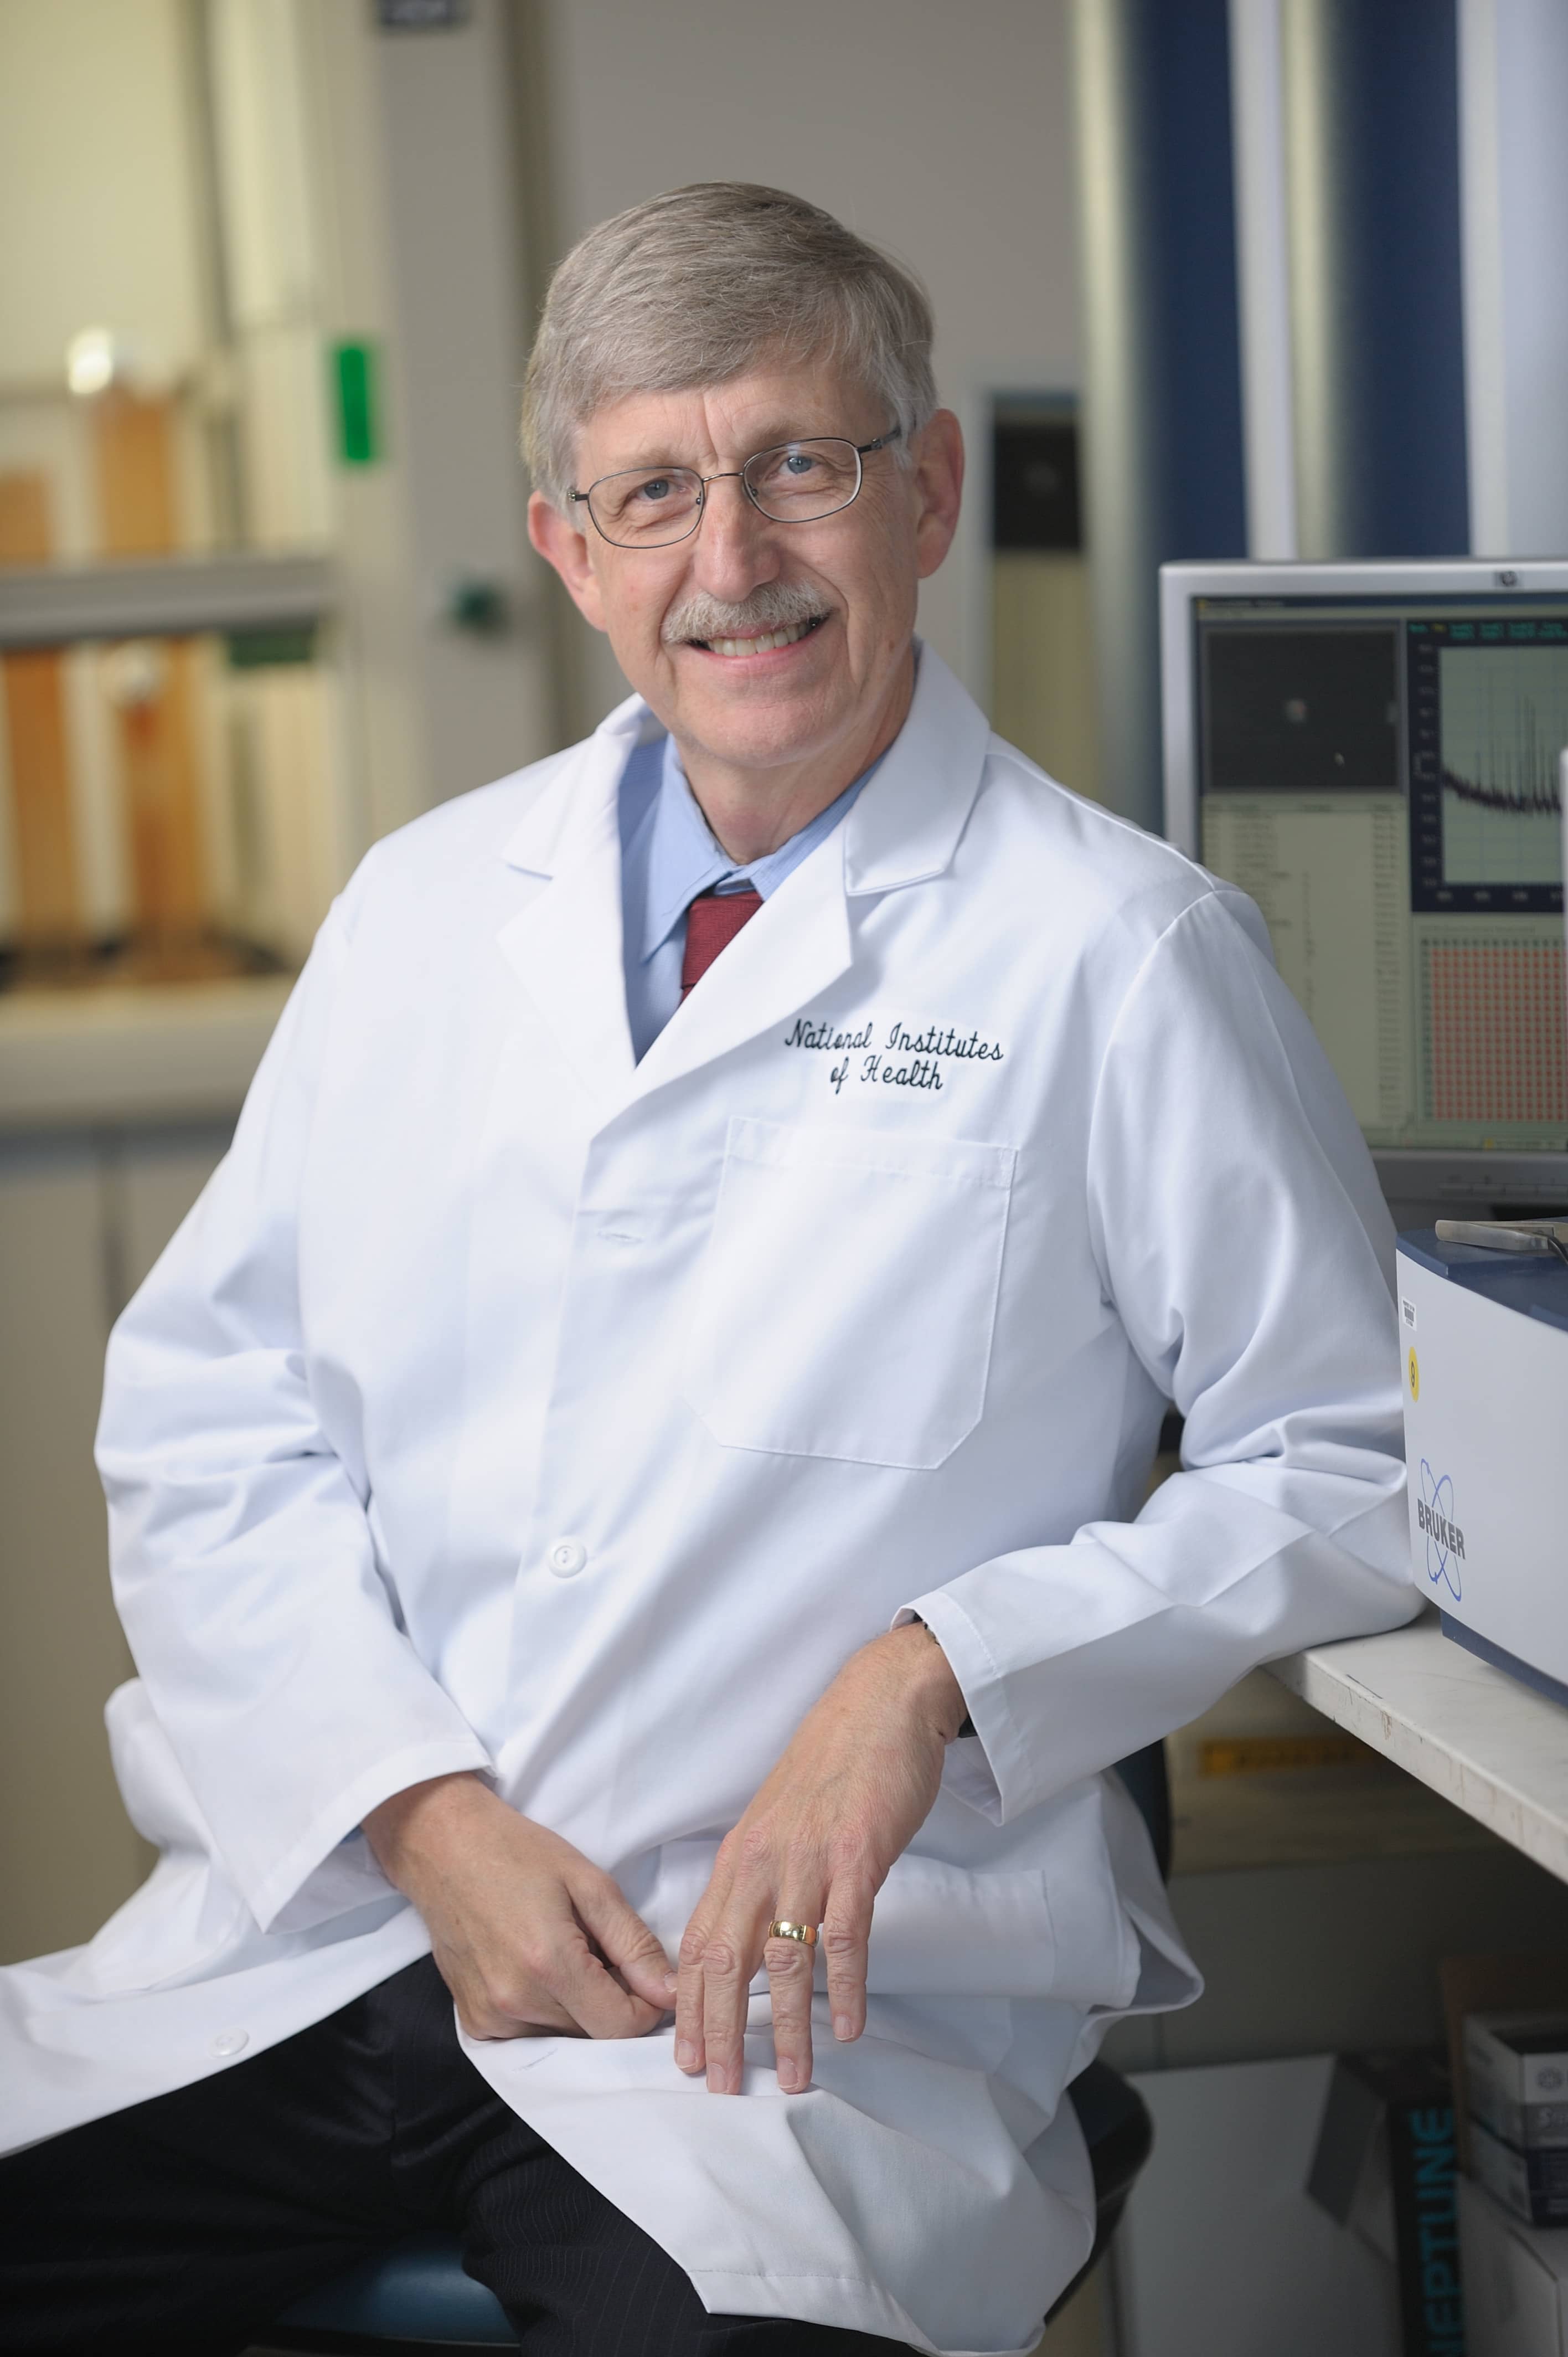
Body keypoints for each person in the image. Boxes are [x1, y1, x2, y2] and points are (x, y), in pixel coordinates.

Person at [0, 183, 1416, 2356]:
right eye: (653, 490)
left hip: (792, 2032)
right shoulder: (424, 909)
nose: (730, 563)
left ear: (926, 491)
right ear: (568, 546)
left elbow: (1343, 1453)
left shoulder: (1118, 956)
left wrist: (928, 1666)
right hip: (346, 1927)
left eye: (799, 466)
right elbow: (214, 1414)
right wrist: (419, 1805)